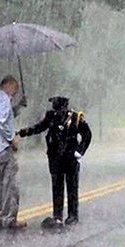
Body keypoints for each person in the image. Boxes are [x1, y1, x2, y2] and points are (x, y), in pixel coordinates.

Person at [18, 96, 92, 226]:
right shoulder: (50, 116)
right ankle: (57, 215)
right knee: (57, 187)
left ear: (63, 105)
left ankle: (72, 215)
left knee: (72, 187)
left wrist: (79, 151)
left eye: (56, 104)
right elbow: (40, 127)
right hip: (55, 158)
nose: (54, 107)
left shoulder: (75, 117)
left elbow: (87, 134)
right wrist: (23, 132)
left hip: (70, 158)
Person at [0, 75, 26, 229]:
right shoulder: (3, 99)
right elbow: (0, 121)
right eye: (15, 88)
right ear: (8, 85)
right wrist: (11, 138)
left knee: (0, 183)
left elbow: (4, 116)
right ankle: (9, 219)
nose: (15, 93)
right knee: (10, 184)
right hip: (3, 147)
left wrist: (18, 107)